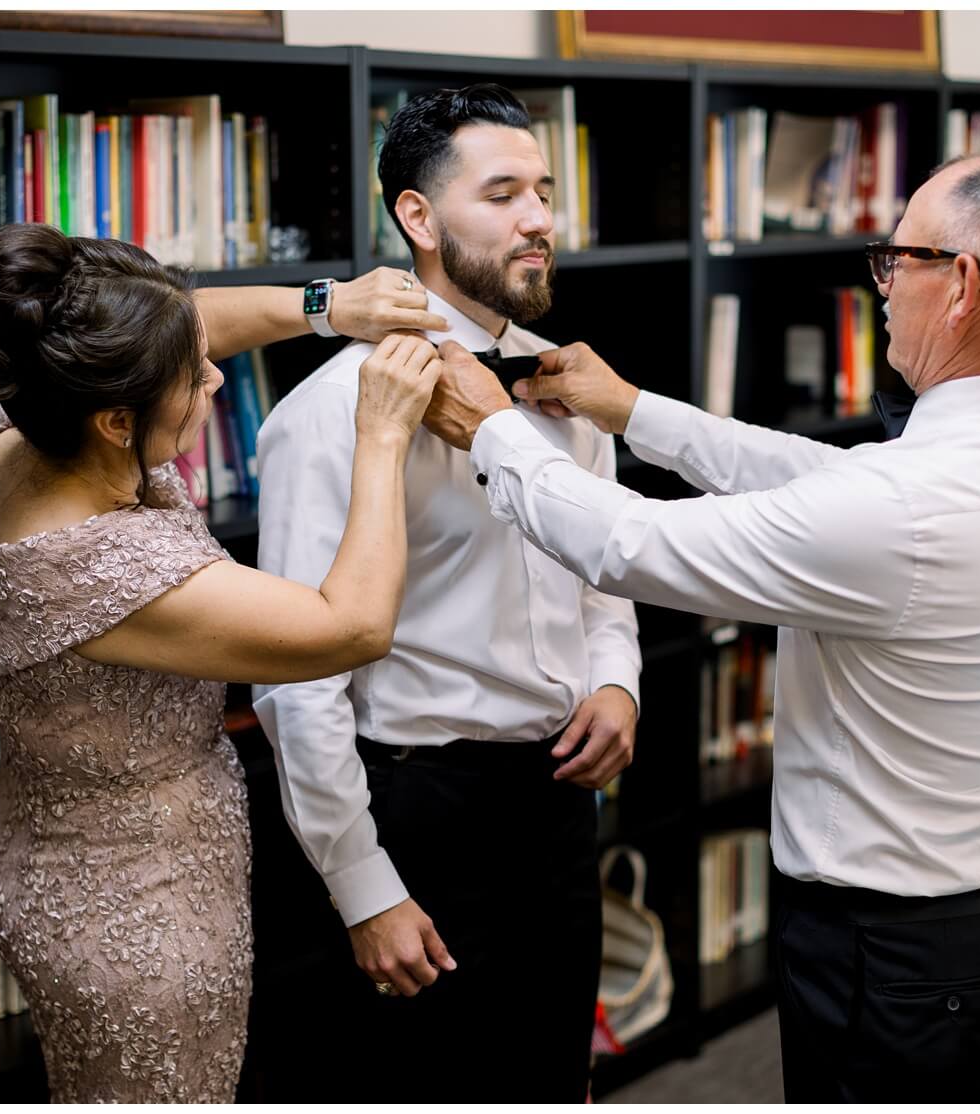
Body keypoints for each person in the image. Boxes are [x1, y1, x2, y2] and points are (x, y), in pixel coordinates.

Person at [427, 151, 980, 1101]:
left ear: (959, 285)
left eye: (895, 258)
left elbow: (630, 545)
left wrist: (491, 427)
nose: (878, 283)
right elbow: (830, 486)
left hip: (900, 956)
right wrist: (633, 413)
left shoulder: (912, 507)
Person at [0, 222, 449, 1101]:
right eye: (195, 381)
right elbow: (351, 625)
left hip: (48, 850)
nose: (214, 376)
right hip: (138, 916)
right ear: (117, 419)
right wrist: (382, 434)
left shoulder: (17, 431)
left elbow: (185, 325)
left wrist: (330, 306)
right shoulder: (103, 568)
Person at [247, 84, 639, 1102]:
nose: (540, 219)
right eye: (503, 192)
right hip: (418, 811)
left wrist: (618, 683)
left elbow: (606, 566)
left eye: (543, 192)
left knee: (552, 1080)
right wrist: (363, 885)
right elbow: (298, 678)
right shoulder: (332, 411)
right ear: (417, 218)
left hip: (556, 804)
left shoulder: (566, 384)